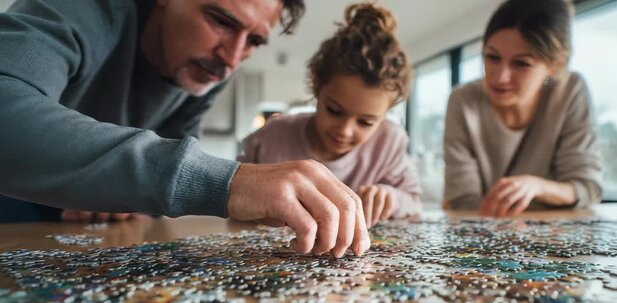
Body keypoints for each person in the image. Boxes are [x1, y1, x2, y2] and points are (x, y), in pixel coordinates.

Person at [0, 0, 370, 257]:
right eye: (221, 21)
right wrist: (227, 182)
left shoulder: (207, 70)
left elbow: (155, 178)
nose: (231, 57)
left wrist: (119, 199)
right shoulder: (85, 10)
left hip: (73, 243)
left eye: (254, 41)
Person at [237, 3, 421, 229]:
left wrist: (391, 198)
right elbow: (232, 200)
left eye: (365, 122)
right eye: (334, 110)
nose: (345, 130)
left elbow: (414, 202)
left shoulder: (390, 141)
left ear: (385, 115)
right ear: (317, 89)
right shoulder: (269, 139)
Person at [443, 0, 602, 217]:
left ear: (554, 67)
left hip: (553, 237)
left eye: (521, 64)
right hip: (483, 238)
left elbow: (587, 187)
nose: (500, 77)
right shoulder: (463, 99)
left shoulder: (569, 90)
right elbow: (464, 200)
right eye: (492, 57)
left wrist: (536, 186)